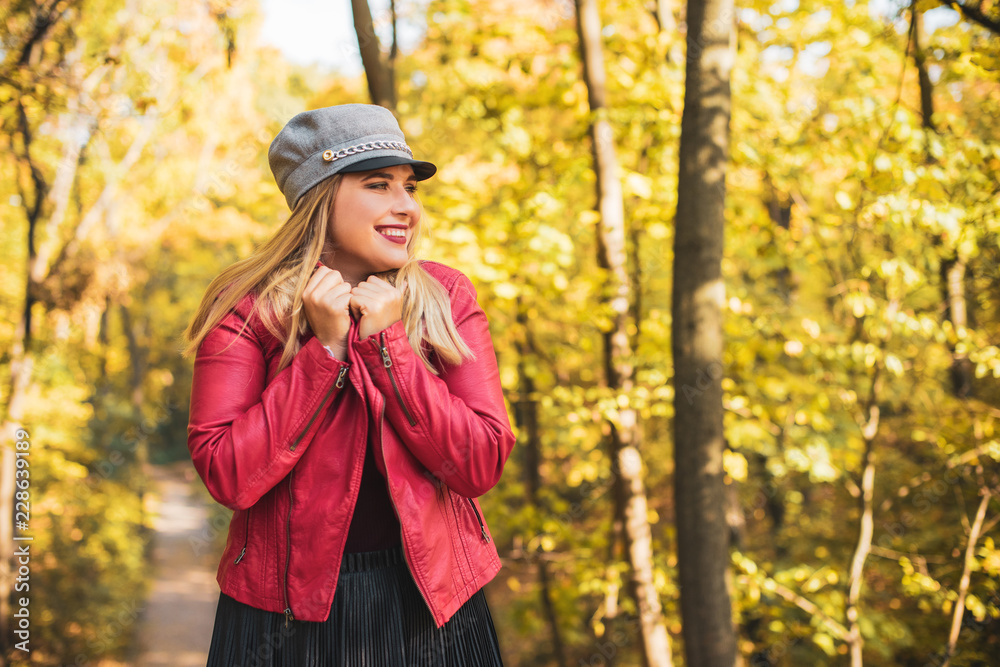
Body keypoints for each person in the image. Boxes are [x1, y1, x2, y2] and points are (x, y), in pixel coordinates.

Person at [183, 104, 515, 666]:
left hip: (433, 604)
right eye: (379, 185)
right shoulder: (248, 308)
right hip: (283, 616)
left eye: (409, 188)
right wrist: (327, 350)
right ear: (320, 197)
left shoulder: (445, 297)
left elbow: (480, 463)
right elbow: (229, 475)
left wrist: (387, 348)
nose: (405, 206)